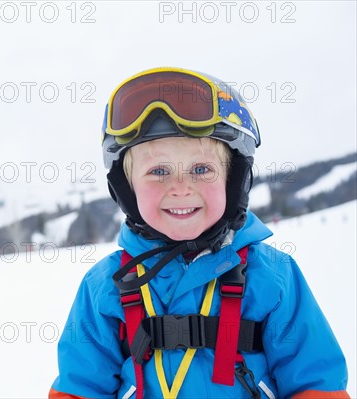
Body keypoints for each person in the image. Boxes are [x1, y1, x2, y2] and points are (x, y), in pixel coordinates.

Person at [49, 68, 349, 399]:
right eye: (158, 171)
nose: (180, 188)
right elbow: (79, 388)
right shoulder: (106, 286)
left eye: (201, 169)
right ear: (126, 188)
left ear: (235, 181)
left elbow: (315, 383)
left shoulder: (271, 276)